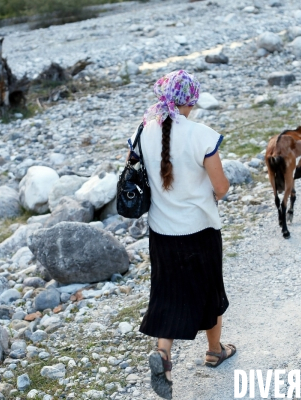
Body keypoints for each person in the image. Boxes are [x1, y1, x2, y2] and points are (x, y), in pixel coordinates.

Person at [127, 70, 236, 399]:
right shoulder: (201, 134)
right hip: (199, 230)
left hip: (162, 231)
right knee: (209, 289)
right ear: (192, 100)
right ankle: (215, 351)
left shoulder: (145, 128)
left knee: (168, 292)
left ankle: (163, 356)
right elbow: (221, 187)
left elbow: (135, 169)